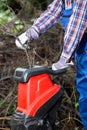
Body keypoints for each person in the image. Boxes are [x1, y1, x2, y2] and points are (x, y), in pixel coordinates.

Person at [15, 0, 87, 129]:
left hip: (82, 48)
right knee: (85, 99)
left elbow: (77, 25)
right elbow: (53, 12)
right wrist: (30, 33)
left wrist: (65, 57)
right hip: (81, 53)